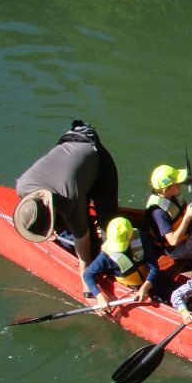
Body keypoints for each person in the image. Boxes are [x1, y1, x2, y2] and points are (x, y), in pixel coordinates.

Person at [14, 119, 118, 292]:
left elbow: (83, 254)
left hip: (97, 160)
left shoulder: (69, 198)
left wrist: (87, 284)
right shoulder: (23, 186)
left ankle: (114, 268)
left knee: (109, 229)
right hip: (72, 163)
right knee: (86, 234)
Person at [83, 217, 174, 314]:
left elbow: (154, 267)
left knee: (177, 291)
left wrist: (145, 288)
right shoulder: (106, 255)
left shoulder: (140, 238)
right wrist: (100, 297)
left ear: (131, 237)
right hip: (133, 289)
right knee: (165, 303)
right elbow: (87, 275)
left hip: (151, 280)